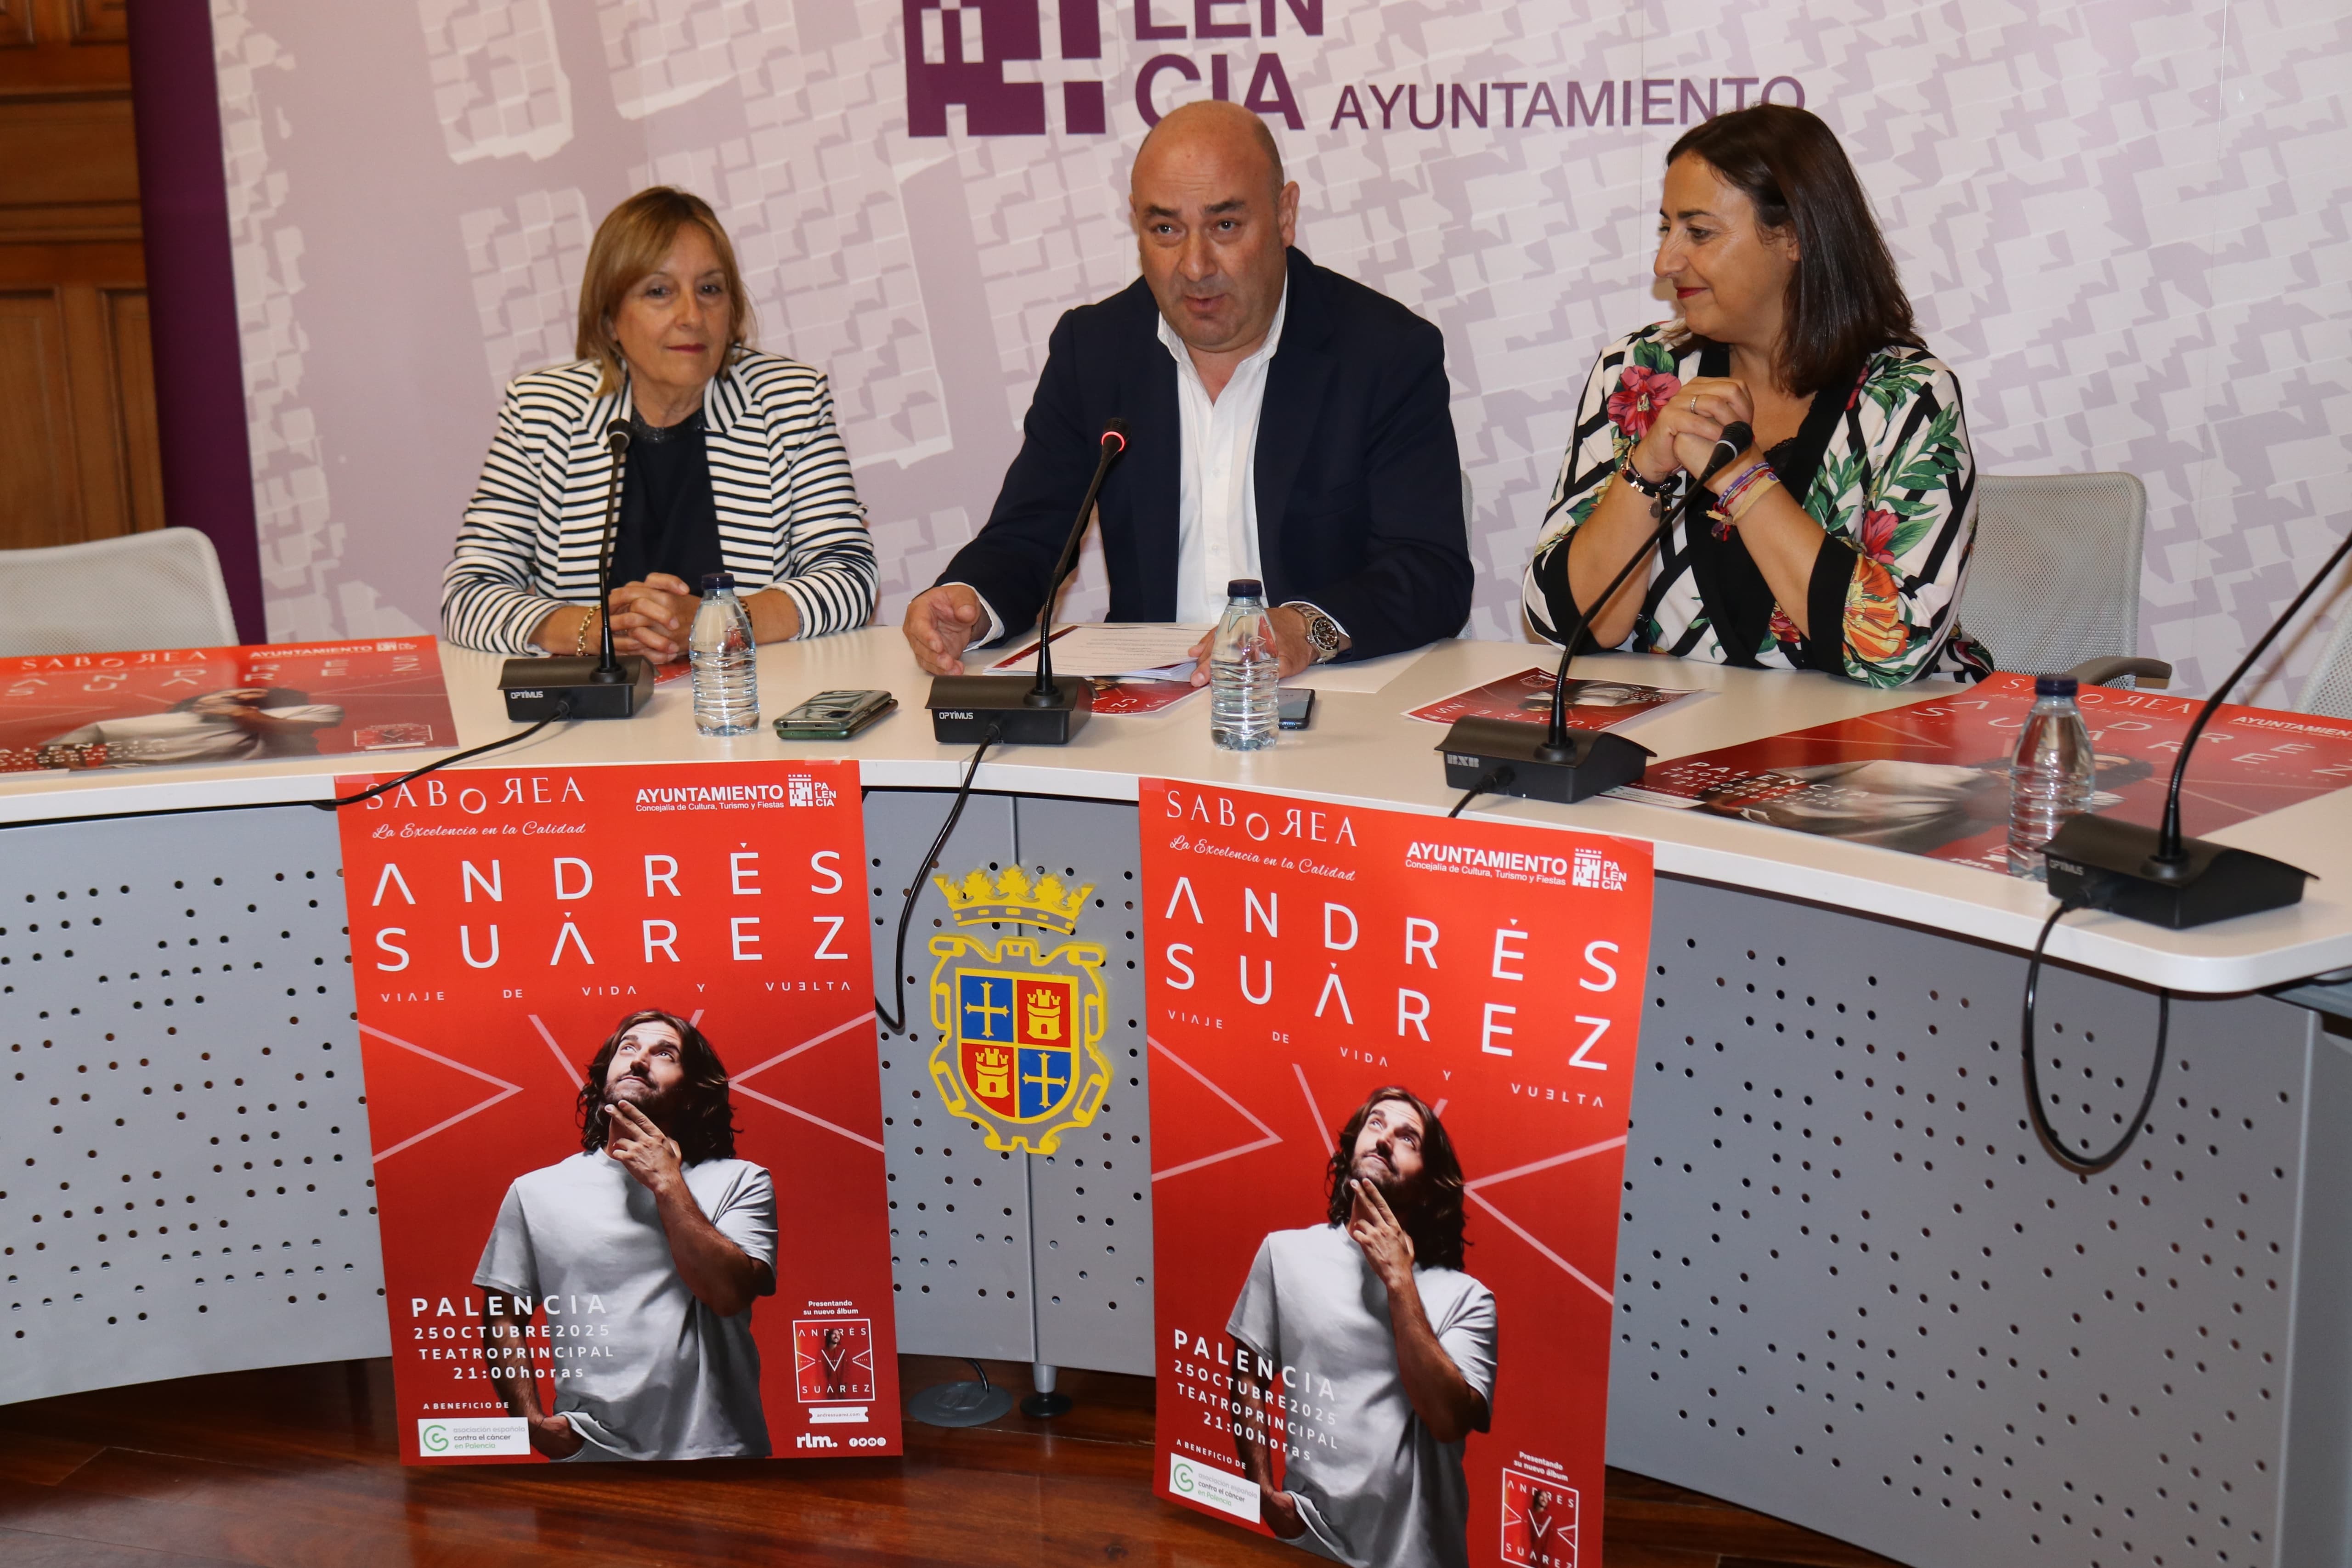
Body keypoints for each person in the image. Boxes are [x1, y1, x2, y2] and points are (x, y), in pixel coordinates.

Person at [903, 101, 1472, 683]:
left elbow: (1429, 573)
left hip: (1322, 696)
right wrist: (966, 602)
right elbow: (1029, 536)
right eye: (1166, 229)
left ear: (1283, 214)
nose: (1195, 265)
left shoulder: (1383, 353)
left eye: (1225, 225)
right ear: (1136, 225)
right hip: (1144, 706)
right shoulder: (1095, 350)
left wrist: (1304, 628)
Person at [1521, 105, 1993, 688]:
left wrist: (1741, 479)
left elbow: (1891, 649)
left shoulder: (1908, 397)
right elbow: (1567, 625)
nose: (1664, 261)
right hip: (1679, 745)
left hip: (1879, 748)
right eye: (1666, 228)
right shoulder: (1639, 373)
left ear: (1793, 236)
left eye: (1698, 232)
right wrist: (1646, 467)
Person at [443, 187, 877, 661]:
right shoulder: (542, 411)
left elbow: (850, 578)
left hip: (748, 705)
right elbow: (468, 593)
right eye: (659, 291)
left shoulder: (788, 401)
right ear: (609, 318)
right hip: (594, 720)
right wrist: (596, 630)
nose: (692, 316)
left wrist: (720, 619)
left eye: (710, 289)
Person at [476, 1010, 776, 1461]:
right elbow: (502, 1313)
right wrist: (530, 1422)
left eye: (664, 1053)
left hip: (719, 1446)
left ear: (692, 1092)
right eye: (628, 1048)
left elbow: (728, 1294)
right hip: (588, 1445)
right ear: (603, 1078)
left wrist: (666, 1182)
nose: (639, 1061)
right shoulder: (535, 1191)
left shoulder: (742, 1180)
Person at [1227, 1087, 1496, 1568]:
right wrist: (1262, 1489)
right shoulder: (1283, 1254)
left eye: (1408, 1137)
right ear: (1351, 1146)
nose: (1385, 1139)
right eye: (1375, 1124)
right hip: (1311, 1538)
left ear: (1430, 1183)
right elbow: (1246, 1373)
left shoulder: (1468, 1298)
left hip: (1420, 1552)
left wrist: (1398, 1280)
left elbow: (1448, 1420)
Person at [39, 686, 341, 767]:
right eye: (222, 695)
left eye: (252, 694)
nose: (236, 695)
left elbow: (286, 727)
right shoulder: (156, 724)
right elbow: (53, 751)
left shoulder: (304, 713)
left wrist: (240, 714)